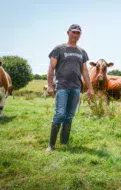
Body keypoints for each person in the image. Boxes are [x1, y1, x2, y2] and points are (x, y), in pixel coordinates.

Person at [46, 24, 94, 152]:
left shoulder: (82, 52)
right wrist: (50, 85)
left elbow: (84, 71)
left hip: (76, 87)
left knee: (70, 115)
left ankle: (64, 142)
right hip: (62, 86)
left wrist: (90, 88)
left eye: (78, 33)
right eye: (74, 32)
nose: (76, 35)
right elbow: (51, 67)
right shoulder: (59, 49)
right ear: (68, 33)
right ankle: (51, 145)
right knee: (60, 113)